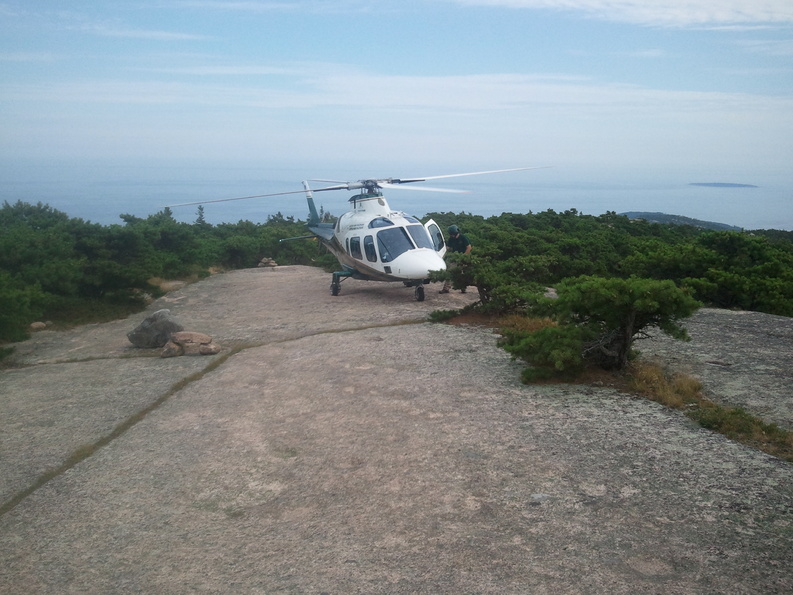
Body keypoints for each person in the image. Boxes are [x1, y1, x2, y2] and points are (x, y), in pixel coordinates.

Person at [439, 224, 472, 293]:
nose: (451, 235)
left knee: (462, 273)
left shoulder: (463, 237)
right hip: (454, 257)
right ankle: (446, 288)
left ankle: (463, 288)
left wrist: (464, 257)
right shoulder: (451, 239)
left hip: (463, 257)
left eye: (452, 234)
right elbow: (448, 247)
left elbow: (468, 247)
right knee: (450, 271)